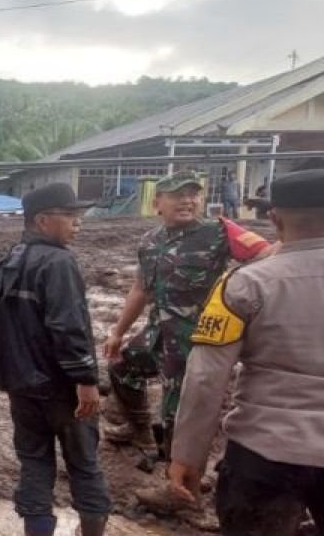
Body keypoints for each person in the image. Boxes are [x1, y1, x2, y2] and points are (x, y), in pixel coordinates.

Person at [168, 169, 324, 536]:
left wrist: (185, 455)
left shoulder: (246, 284)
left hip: (265, 453)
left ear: (275, 219)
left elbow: (206, 379)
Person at [0, 183, 110, 536]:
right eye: (70, 217)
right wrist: (86, 380)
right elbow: (69, 327)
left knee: (34, 464)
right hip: (61, 387)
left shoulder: (8, 260)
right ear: (42, 220)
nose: (77, 224)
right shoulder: (59, 263)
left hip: (23, 386)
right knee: (85, 465)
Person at [103, 170, 270, 465]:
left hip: (197, 339)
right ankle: (139, 429)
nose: (187, 201)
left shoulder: (220, 231)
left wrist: (238, 291)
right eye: (178, 195)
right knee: (121, 366)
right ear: (158, 203)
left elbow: (268, 256)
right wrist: (118, 332)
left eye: (193, 194)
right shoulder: (150, 240)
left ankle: (176, 472)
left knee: (177, 406)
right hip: (160, 333)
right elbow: (141, 289)